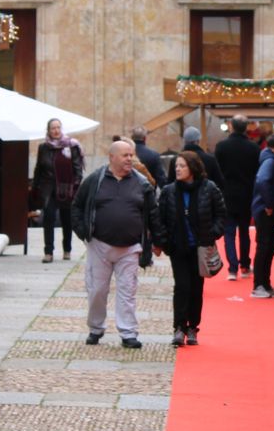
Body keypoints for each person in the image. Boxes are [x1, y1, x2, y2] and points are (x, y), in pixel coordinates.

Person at [71, 140, 162, 350]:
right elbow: (76, 206)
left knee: (127, 291)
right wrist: (83, 232)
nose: (130, 159)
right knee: (97, 290)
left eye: (131, 155)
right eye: (125, 155)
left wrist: (157, 240)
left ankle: (128, 332)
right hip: (99, 245)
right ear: (112, 157)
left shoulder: (141, 183)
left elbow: (153, 213)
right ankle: (95, 328)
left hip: (130, 247)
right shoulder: (95, 180)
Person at [155, 151, 227, 346]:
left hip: (201, 247)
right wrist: (163, 241)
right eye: (176, 166)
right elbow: (159, 218)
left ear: (193, 168)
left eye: (182, 166)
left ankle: (192, 327)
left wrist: (212, 233)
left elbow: (221, 214)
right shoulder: (169, 191)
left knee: (196, 288)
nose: (178, 169)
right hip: (178, 247)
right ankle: (179, 327)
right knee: (182, 287)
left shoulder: (209, 188)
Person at [29, 118, 84, 263]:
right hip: (48, 187)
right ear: (48, 130)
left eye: (58, 127)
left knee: (67, 219)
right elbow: (38, 169)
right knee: (48, 218)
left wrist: (76, 186)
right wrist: (35, 187)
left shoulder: (71, 146)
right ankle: (48, 252)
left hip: (67, 188)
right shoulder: (43, 147)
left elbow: (78, 169)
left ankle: (67, 249)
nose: (56, 130)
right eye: (53, 128)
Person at [214, 115, 260, 281]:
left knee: (229, 233)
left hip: (226, 194)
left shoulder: (221, 147)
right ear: (246, 128)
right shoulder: (253, 148)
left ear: (231, 126)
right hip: (246, 194)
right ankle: (245, 265)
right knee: (244, 232)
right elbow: (257, 173)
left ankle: (232, 268)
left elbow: (217, 172)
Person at [249, 133, 274, 298]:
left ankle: (265, 284)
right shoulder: (270, 162)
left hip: (270, 210)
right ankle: (258, 285)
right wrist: (268, 205)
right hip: (266, 211)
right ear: (272, 146)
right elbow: (262, 180)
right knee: (264, 247)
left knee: (270, 247)